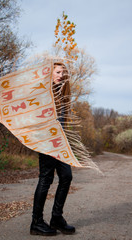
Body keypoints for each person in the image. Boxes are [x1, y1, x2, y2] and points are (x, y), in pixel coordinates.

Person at [30, 63, 75, 236]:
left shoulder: (63, 94)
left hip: (60, 143)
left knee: (66, 176)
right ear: (50, 73)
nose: (61, 75)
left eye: (63, 72)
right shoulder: (43, 92)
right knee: (46, 179)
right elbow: (21, 103)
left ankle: (56, 218)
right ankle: (36, 222)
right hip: (47, 142)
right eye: (57, 72)